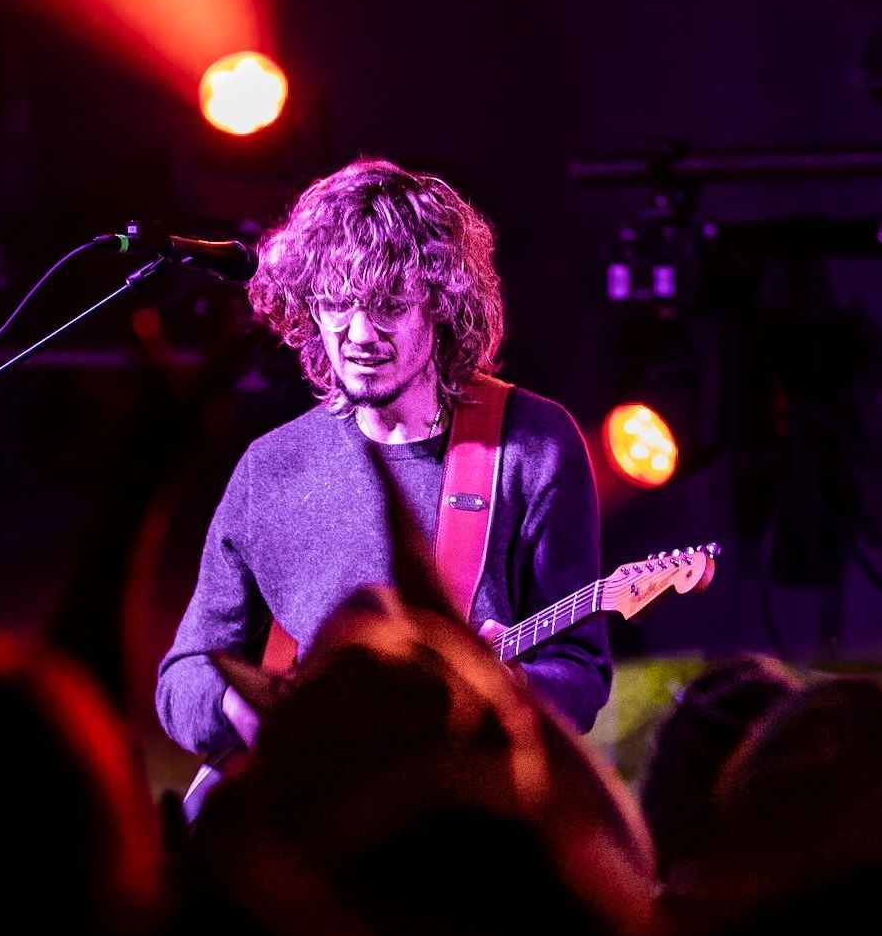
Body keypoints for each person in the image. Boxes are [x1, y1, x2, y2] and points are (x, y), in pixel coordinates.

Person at [156, 158, 610, 758]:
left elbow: (580, 668)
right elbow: (184, 677)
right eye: (337, 304)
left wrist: (514, 688)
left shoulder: (533, 444)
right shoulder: (271, 467)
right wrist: (248, 710)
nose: (361, 333)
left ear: (442, 306)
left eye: (390, 304)